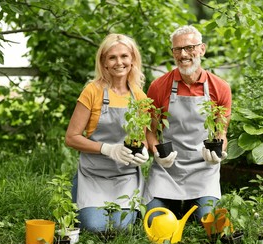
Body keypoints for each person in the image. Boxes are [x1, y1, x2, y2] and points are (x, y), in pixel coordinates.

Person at [144, 25, 232, 222]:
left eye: (190, 47)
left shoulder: (220, 87)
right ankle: (174, 203)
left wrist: (218, 153)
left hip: (203, 170)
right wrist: (157, 152)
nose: (183, 54)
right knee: (154, 220)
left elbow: (221, 131)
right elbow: (150, 130)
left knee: (205, 219)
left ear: (202, 49)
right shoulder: (159, 86)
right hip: (168, 169)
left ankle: (195, 203)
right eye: (177, 49)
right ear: (173, 53)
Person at [65, 34, 149, 233]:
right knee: (95, 227)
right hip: (93, 174)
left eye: (124, 56)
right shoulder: (92, 91)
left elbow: (142, 137)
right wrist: (108, 149)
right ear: (103, 63)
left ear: (133, 59)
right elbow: (71, 137)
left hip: (125, 175)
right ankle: (79, 191)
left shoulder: (139, 97)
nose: (119, 62)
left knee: (122, 227)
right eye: (112, 57)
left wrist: (143, 150)